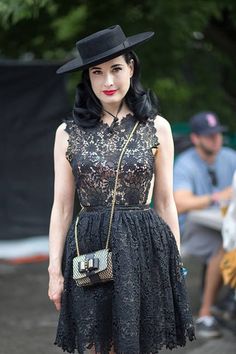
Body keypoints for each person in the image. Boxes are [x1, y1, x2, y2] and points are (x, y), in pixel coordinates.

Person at [48, 25, 195, 354]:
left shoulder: (158, 127)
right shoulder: (67, 133)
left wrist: (176, 263)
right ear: (88, 78)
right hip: (89, 247)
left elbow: (166, 201)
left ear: (131, 66)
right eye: (97, 72)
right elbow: (60, 207)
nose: (108, 82)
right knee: (95, 345)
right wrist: (53, 271)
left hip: (144, 246)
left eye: (116, 69)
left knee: (138, 344)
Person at [174, 112, 236, 338]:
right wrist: (217, 197)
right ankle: (206, 314)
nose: (215, 139)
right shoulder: (185, 163)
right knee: (223, 245)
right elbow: (180, 203)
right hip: (191, 227)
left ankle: (229, 301)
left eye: (218, 134)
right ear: (196, 138)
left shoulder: (229, 156)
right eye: (209, 136)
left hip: (222, 223)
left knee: (229, 240)